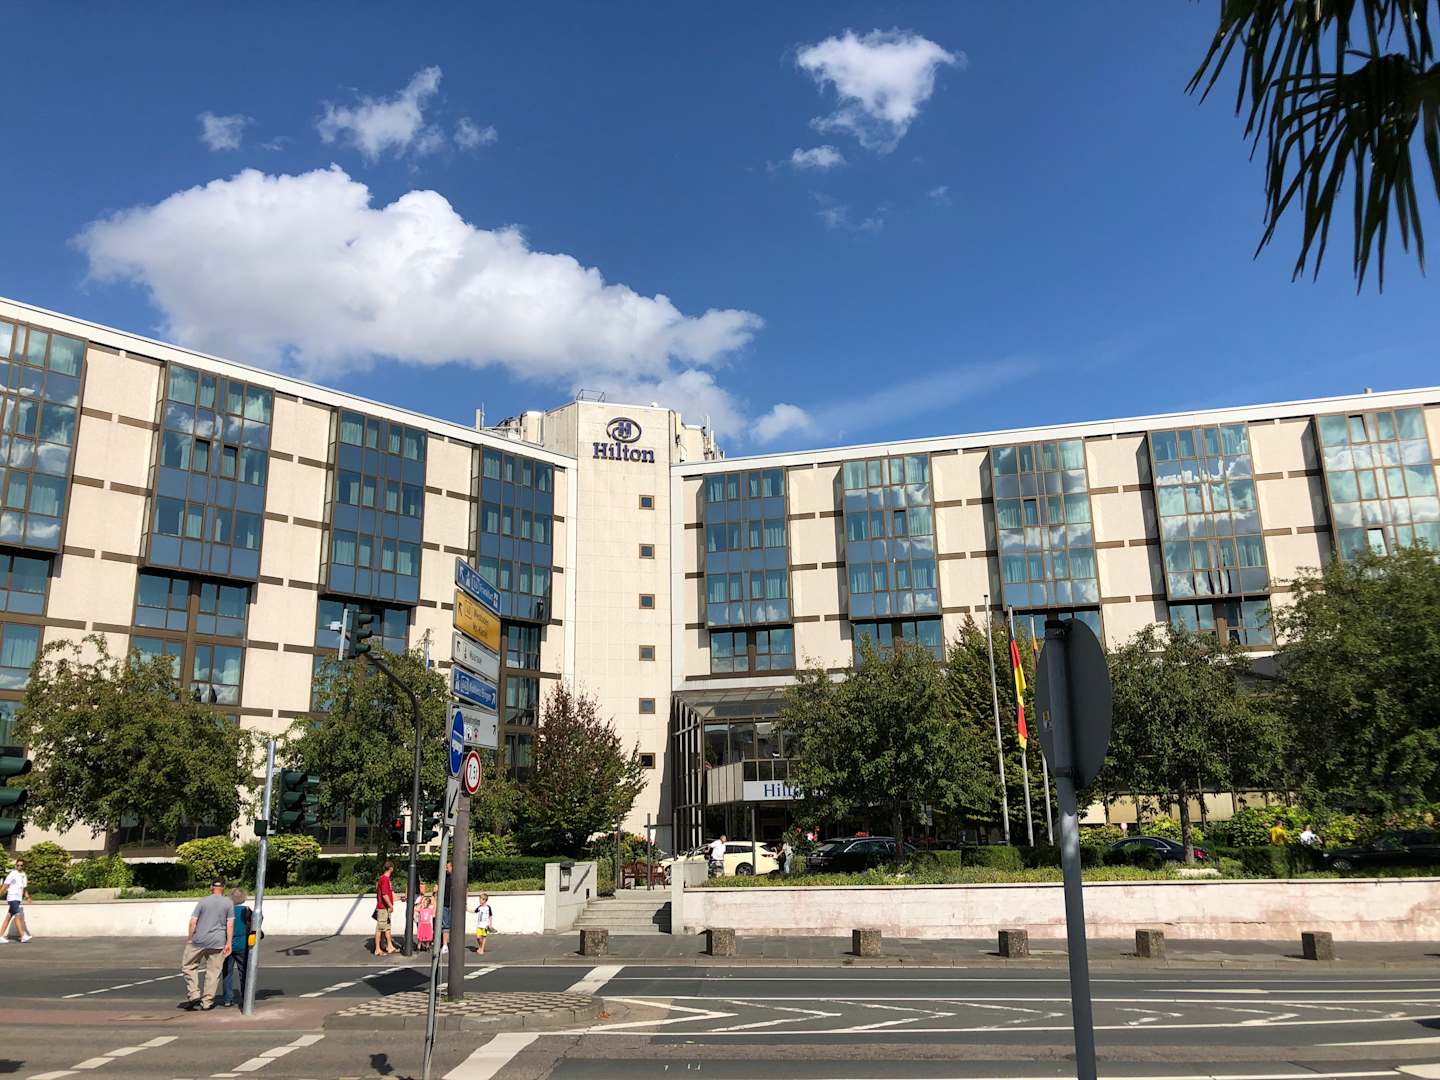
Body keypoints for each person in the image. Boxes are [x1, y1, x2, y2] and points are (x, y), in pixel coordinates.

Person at [180, 878, 233, 1011]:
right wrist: (228, 943)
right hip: (218, 942)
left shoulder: (203, 901)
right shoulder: (228, 903)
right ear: (224, 888)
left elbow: (193, 921)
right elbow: (230, 924)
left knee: (188, 966)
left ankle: (194, 994)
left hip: (199, 940)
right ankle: (207, 1002)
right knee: (213, 972)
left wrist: (190, 938)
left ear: (211, 887)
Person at [220, 888, 251, 1007]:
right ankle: (245, 997)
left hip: (227, 944)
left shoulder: (226, 911)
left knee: (227, 972)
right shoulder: (247, 911)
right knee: (243, 971)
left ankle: (227, 999)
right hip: (243, 944)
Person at [0, 858, 31, 943]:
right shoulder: (12, 874)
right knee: (17, 915)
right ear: (15, 865)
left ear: (23, 866)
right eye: (17, 865)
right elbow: (5, 885)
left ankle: (0, 936)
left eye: (21, 865)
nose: (19, 866)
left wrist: (27, 897)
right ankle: (22, 935)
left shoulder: (24, 875)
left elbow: (24, 888)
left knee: (8, 917)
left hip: (18, 898)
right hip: (12, 897)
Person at [373, 861, 399, 956]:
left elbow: (389, 894)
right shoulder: (384, 879)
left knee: (387, 928)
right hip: (383, 908)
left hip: (385, 908)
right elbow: (384, 895)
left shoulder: (386, 879)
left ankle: (389, 946)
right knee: (380, 928)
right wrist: (390, 905)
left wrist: (400, 898)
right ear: (391, 868)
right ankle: (377, 949)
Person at [438, 859, 453, 954]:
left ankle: (450, 944)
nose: (446, 869)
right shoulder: (444, 878)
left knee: (453, 925)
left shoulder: (456, 878)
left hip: (453, 905)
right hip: (444, 904)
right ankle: (445, 945)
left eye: (447, 867)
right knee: (445, 925)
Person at [416, 884, 435, 952]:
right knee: (421, 936)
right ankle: (419, 946)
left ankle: (427, 946)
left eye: (425, 903)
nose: (424, 904)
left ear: (428, 904)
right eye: (424, 902)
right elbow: (416, 909)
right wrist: (421, 902)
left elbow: (434, 907)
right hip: (422, 924)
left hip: (428, 924)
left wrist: (432, 896)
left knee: (428, 936)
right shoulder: (421, 909)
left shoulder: (430, 909)